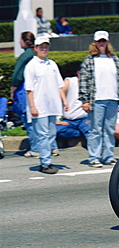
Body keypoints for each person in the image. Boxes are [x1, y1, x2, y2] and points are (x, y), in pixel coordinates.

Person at [79, 30, 119, 168]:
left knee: (109, 129)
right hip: (97, 100)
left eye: (104, 41)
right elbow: (84, 80)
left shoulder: (114, 58)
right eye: (99, 41)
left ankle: (108, 156)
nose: (101, 44)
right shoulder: (89, 60)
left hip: (112, 99)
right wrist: (85, 100)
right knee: (95, 129)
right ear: (94, 43)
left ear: (107, 42)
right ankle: (94, 157)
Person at [24, 36, 69, 174]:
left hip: (52, 106)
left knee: (51, 134)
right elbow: (29, 89)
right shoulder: (31, 66)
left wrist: (64, 101)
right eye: (41, 46)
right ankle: (45, 163)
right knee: (43, 135)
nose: (44, 49)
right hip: (40, 106)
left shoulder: (52, 64)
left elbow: (59, 85)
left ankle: (47, 159)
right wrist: (32, 106)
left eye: (46, 46)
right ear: (35, 48)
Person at [56, 71, 88, 141]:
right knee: (57, 131)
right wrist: (57, 120)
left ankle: (96, 150)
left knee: (91, 131)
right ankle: (79, 133)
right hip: (69, 120)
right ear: (79, 73)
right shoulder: (69, 82)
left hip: (85, 118)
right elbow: (56, 100)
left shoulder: (94, 84)